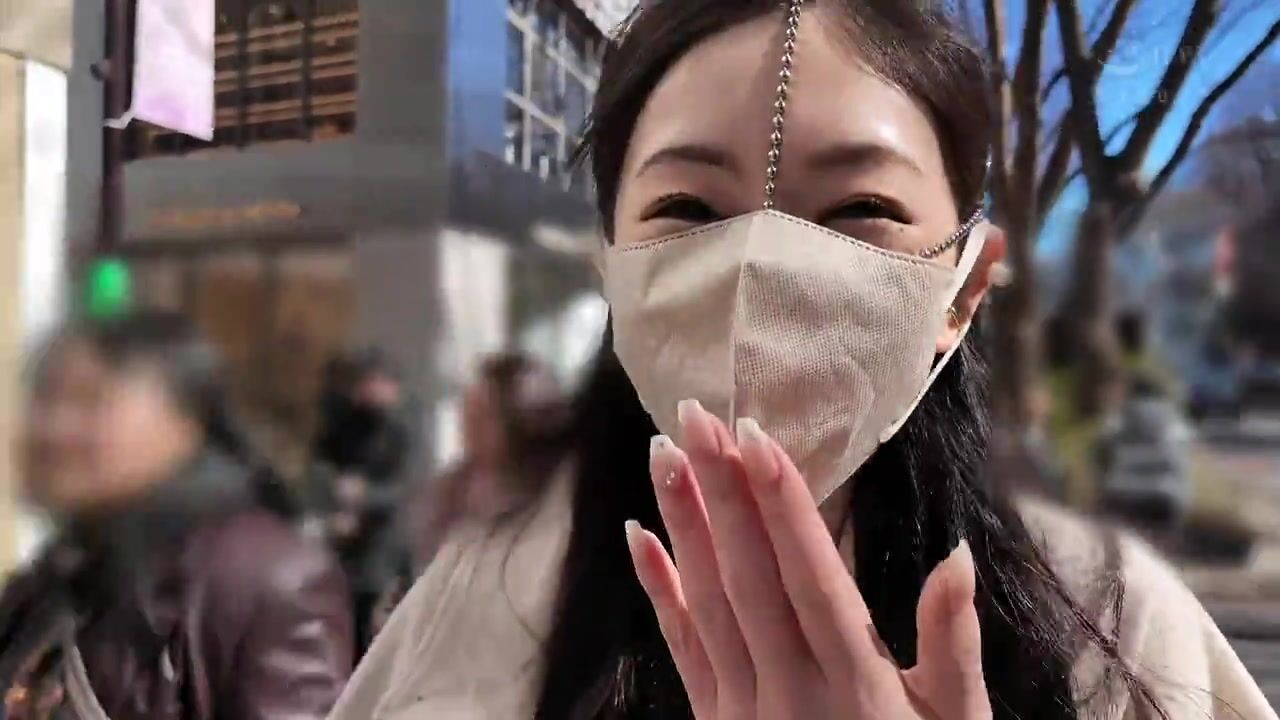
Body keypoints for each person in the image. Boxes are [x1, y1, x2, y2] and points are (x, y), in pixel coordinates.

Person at [330, 2, 1277, 719]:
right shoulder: (482, 601)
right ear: (609, 271)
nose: (762, 270)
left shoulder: (1109, 623)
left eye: (859, 210)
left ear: (963, 292)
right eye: (688, 211)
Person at [0, 312, 352, 719]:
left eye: (90, 401)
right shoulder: (60, 576)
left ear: (186, 421)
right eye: (44, 399)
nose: (53, 428)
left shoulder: (260, 575)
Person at [411, 352, 572, 567]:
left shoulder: (557, 491)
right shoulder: (450, 490)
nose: (470, 428)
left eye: (485, 416)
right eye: (468, 414)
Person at [307, 349, 418, 657]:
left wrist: (365, 496)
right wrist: (336, 502)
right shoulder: (346, 423)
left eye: (376, 383)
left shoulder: (405, 429)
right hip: (345, 547)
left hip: (387, 548)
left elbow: (408, 488)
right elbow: (321, 466)